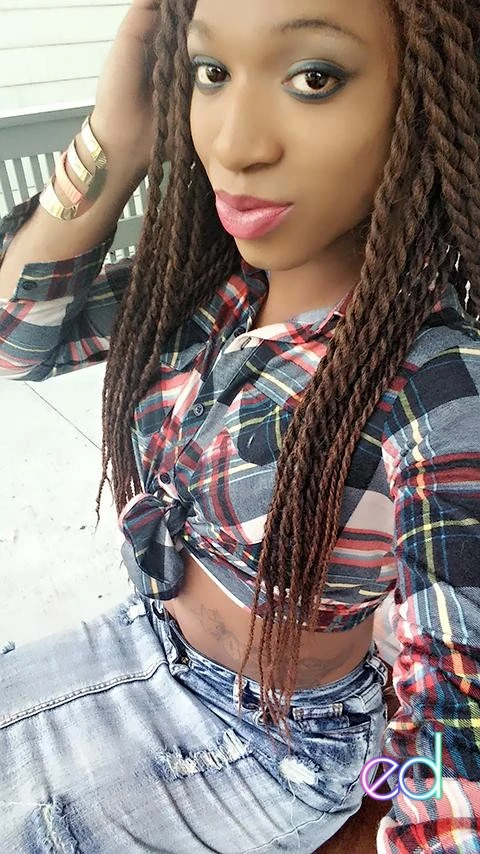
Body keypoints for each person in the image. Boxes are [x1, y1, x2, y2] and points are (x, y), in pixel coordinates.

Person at [0, 0, 479, 850]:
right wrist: (117, 138)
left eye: (314, 78)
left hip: (270, 745)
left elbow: (461, 741)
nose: (232, 142)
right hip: (140, 636)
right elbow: (16, 339)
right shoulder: (206, 291)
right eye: (211, 73)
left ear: (429, 98)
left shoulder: (437, 386)